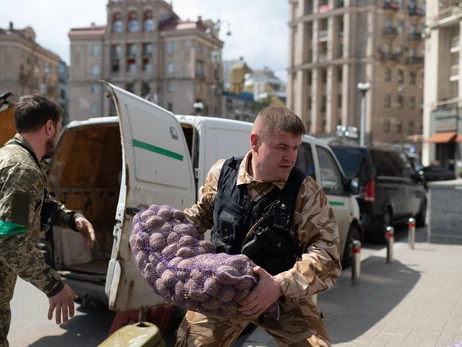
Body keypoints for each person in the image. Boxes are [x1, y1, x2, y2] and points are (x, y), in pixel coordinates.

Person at [176, 106, 342, 346]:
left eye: (295, 148)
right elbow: (201, 214)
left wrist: (279, 286)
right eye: (282, 147)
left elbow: (327, 257)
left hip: (283, 295)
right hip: (224, 287)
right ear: (255, 142)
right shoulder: (223, 173)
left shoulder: (305, 192)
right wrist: (168, 227)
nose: (291, 157)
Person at [0, 95, 96, 347]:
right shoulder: (22, 169)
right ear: (49, 126)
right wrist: (54, 286)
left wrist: (73, 219)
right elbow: (10, 238)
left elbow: (40, 205)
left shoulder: (15, 158)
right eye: (60, 126)